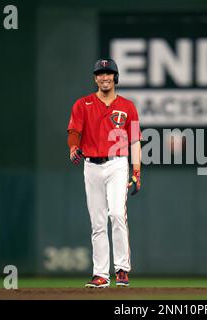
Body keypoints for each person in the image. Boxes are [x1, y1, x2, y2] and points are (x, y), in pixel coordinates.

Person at [67, 58, 142, 288]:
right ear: (95, 78)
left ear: (115, 77)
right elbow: (74, 132)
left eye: (109, 73)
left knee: (117, 214)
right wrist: (73, 148)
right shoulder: (83, 103)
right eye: (100, 73)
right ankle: (101, 275)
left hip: (117, 163)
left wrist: (136, 171)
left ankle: (121, 269)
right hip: (91, 165)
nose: (105, 77)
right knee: (98, 222)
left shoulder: (128, 106)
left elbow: (136, 140)